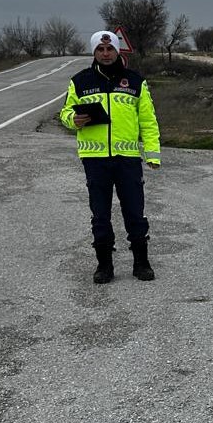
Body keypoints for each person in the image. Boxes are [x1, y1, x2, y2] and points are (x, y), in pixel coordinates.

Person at [60, 31, 162, 284]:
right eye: (100, 50)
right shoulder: (80, 81)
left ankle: (141, 262)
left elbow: (148, 120)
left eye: (110, 49)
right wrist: (73, 120)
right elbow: (64, 113)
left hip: (127, 158)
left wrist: (152, 154)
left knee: (135, 212)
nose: (105, 54)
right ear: (94, 53)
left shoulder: (136, 81)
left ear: (118, 51)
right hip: (95, 160)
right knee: (100, 214)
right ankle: (104, 265)